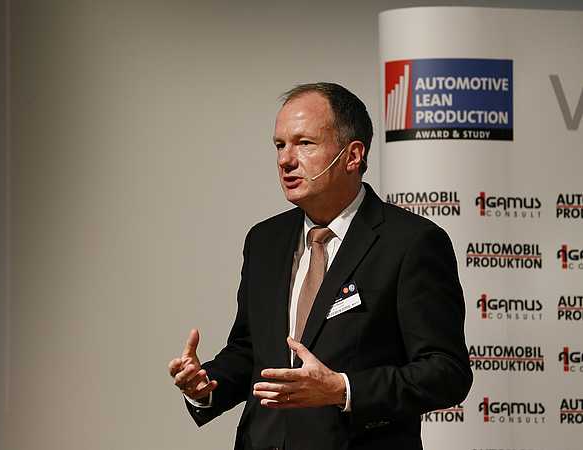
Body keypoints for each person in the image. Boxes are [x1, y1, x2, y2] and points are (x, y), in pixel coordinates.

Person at [168, 82, 472, 450]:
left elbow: (446, 372)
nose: (285, 159)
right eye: (280, 145)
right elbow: (252, 351)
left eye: (304, 143)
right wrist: (205, 385)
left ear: (352, 156)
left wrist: (343, 389)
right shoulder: (264, 241)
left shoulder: (411, 242)